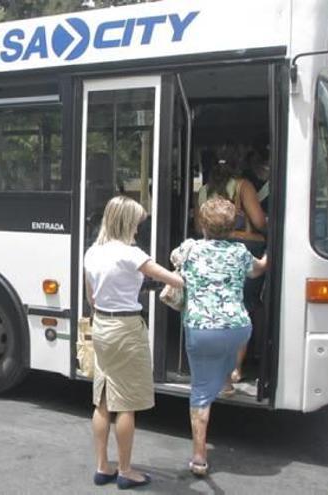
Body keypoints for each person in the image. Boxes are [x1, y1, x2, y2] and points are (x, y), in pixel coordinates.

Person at [83, 195, 183, 490]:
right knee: (126, 404)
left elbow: (92, 297)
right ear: (127, 223)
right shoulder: (131, 254)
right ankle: (126, 470)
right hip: (126, 328)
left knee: (102, 399)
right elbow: (175, 281)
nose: (139, 230)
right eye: (138, 223)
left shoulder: (92, 252)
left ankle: (103, 466)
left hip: (101, 324)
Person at [174, 197, 267, 477]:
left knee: (200, 393)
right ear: (234, 225)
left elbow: (174, 261)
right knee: (227, 352)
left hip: (202, 327)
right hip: (239, 326)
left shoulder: (189, 248)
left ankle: (200, 457)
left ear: (202, 223)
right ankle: (227, 381)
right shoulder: (240, 251)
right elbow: (259, 268)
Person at [195, 148, 267, 384]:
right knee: (242, 307)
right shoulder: (243, 185)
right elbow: (257, 221)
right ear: (239, 165)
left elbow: (198, 228)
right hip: (244, 245)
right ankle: (235, 368)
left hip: (211, 247)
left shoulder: (204, 190)